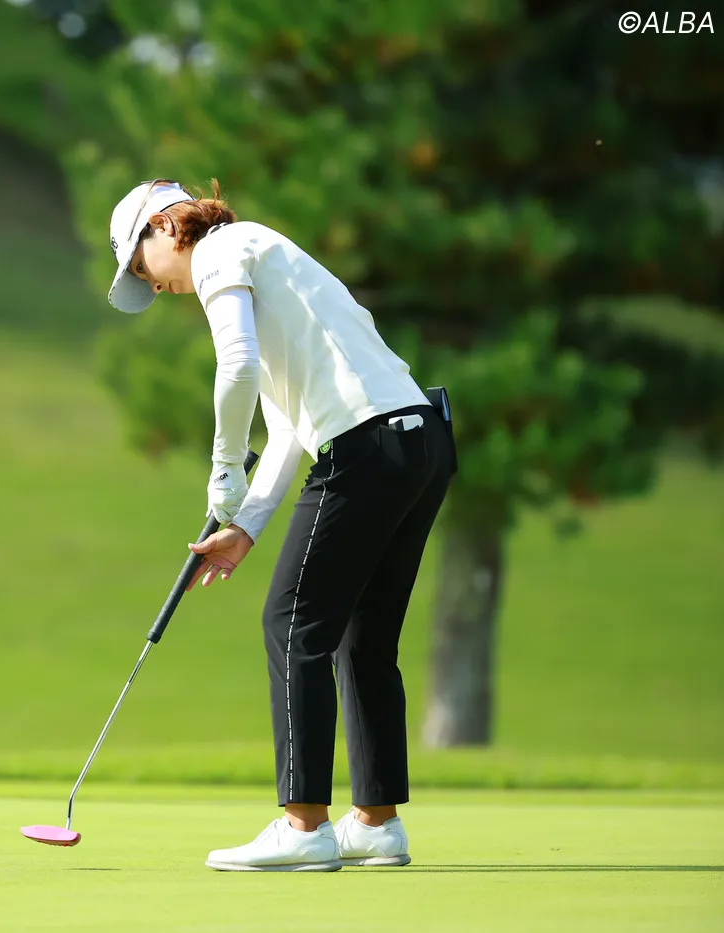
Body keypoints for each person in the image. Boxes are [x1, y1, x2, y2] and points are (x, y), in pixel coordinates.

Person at [104, 178, 454, 872]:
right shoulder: (269, 263)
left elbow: (234, 365)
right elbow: (290, 426)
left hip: (365, 446)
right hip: (421, 442)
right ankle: (375, 822)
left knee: (292, 622)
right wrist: (247, 527)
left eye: (142, 266)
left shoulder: (219, 249)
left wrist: (223, 467)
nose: (153, 284)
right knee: (363, 637)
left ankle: (303, 826)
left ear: (164, 226)